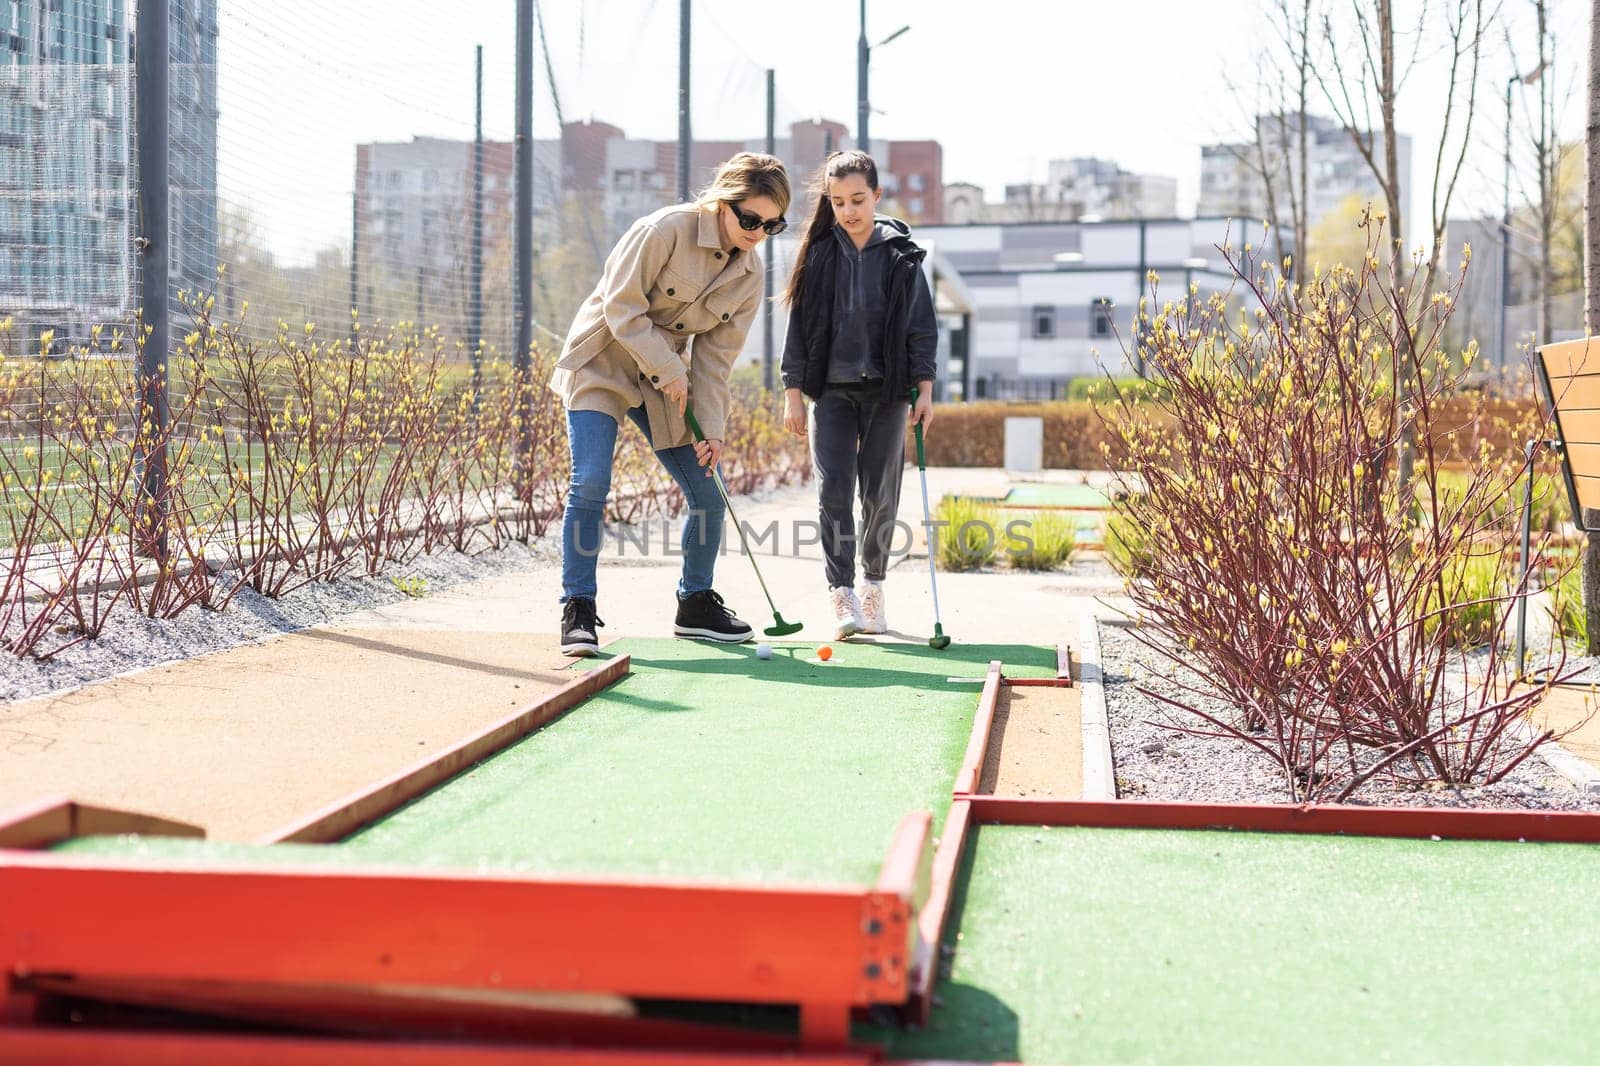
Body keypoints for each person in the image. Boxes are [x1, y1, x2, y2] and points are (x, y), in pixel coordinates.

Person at [551, 152, 791, 656]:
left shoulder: (749, 276)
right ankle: (578, 609)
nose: (758, 232)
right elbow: (621, 306)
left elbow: (716, 361)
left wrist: (712, 429)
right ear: (722, 202)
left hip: (668, 381)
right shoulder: (663, 230)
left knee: (708, 491)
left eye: (772, 224)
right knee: (591, 479)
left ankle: (695, 605)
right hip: (603, 361)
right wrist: (668, 368)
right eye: (750, 219)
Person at [780, 150, 937, 640]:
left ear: (877, 196)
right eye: (838, 200)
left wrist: (925, 388)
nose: (848, 210)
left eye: (857, 199)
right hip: (831, 393)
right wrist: (792, 390)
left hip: (888, 393)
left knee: (880, 496)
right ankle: (840, 593)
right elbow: (800, 325)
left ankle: (873, 586)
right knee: (833, 491)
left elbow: (920, 326)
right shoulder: (820, 251)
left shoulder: (902, 255)